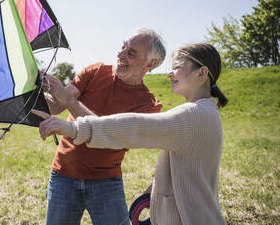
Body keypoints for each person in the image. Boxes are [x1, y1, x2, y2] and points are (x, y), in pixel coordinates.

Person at [33, 43, 228, 225]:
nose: (169, 73)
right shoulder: (205, 112)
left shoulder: (191, 115)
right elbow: (189, 166)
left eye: (177, 67)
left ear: (202, 73)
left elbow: (131, 128)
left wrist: (71, 128)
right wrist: (154, 190)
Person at [41, 28, 166, 225]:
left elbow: (110, 136)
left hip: (106, 182)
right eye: (123, 47)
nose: (120, 54)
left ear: (150, 64)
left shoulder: (148, 106)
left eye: (130, 53)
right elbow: (56, 105)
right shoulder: (95, 71)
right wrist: (35, 87)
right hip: (63, 173)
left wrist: (69, 101)